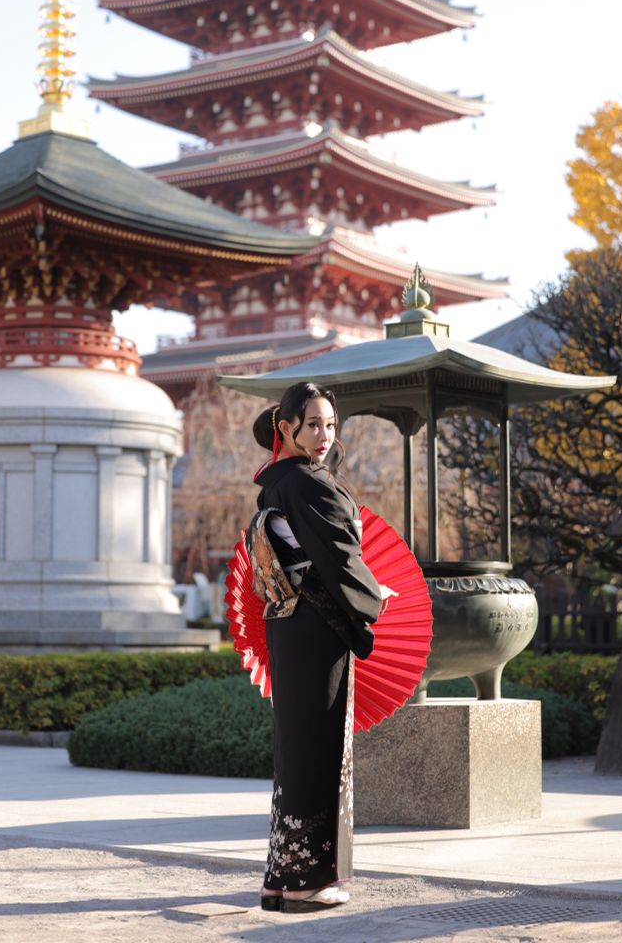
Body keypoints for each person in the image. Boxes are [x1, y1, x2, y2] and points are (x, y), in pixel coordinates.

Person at [248, 381, 395, 914]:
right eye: (312, 425)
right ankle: (307, 881)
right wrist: (373, 599)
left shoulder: (274, 485)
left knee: (296, 746)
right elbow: (339, 559)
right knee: (319, 747)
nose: (323, 436)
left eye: (331, 426)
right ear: (284, 427)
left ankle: (281, 877)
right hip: (316, 626)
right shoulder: (310, 483)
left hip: (287, 626)